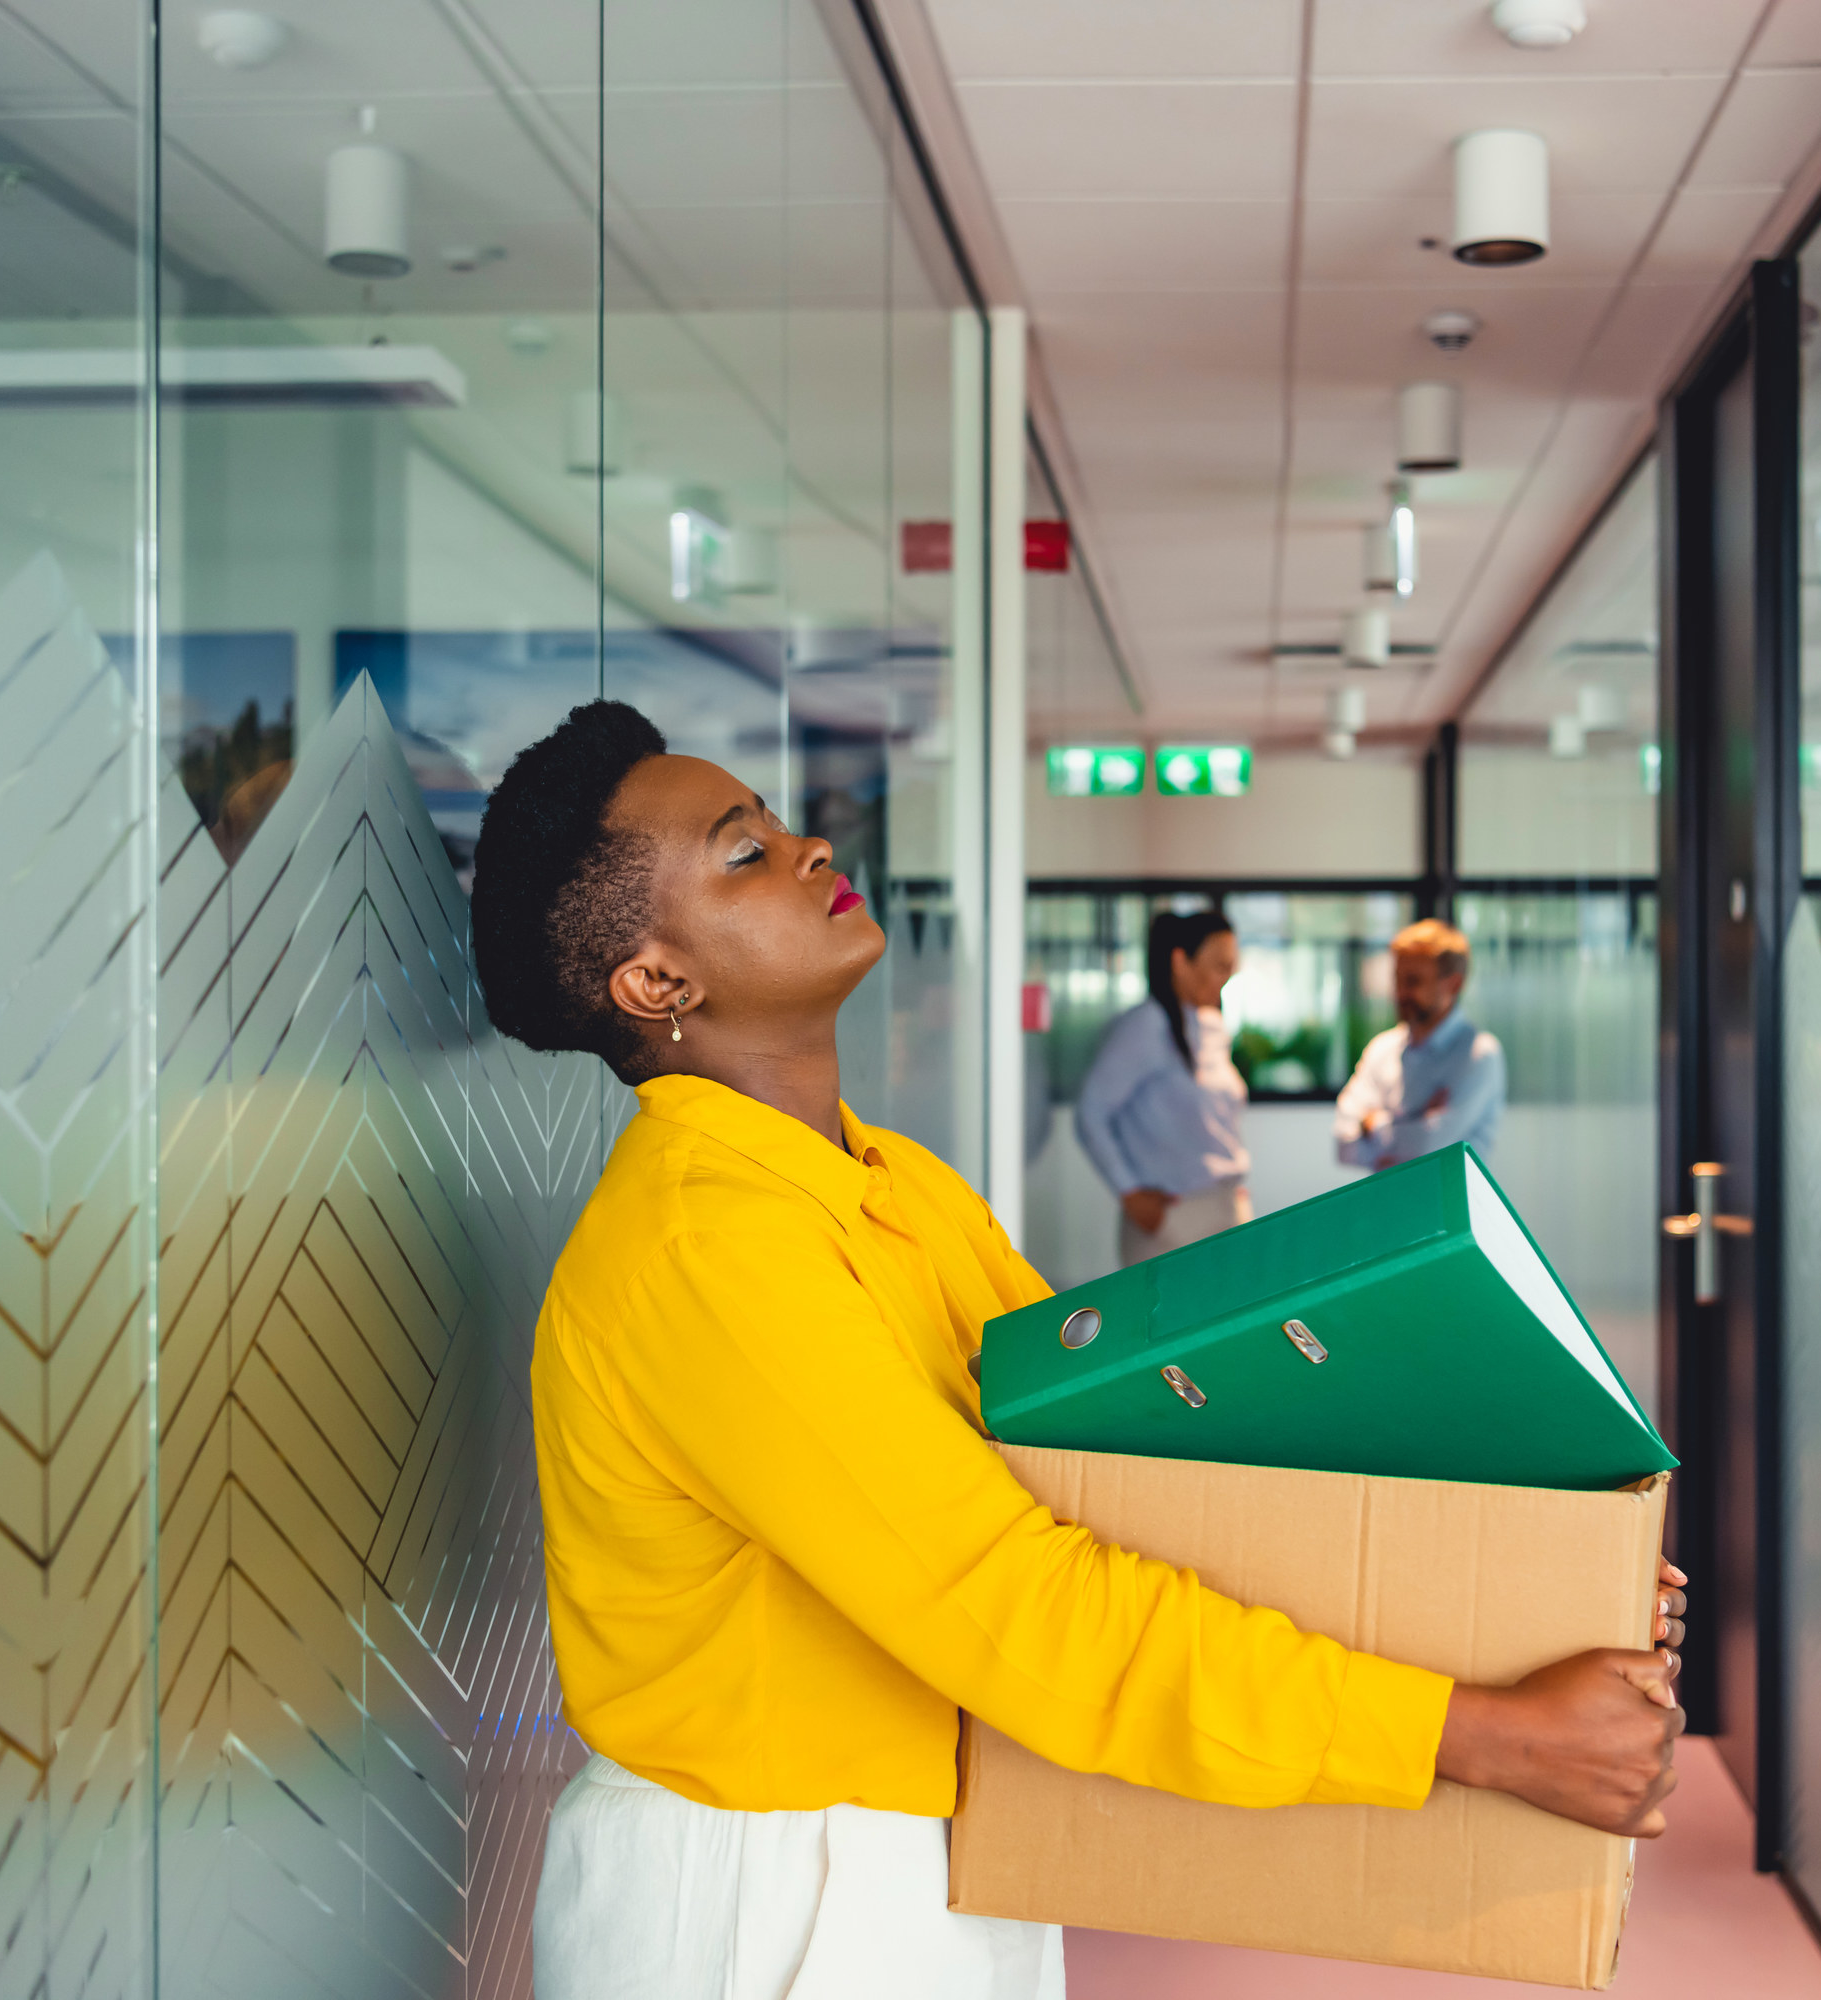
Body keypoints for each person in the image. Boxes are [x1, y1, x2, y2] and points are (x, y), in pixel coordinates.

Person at [472, 702, 1686, 2000]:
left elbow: (1123, 1466)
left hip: (930, 1849)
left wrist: (1521, 1585)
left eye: (774, 823)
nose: (809, 847)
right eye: (742, 853)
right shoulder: (704, 1254)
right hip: (770, 1902)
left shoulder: (894, 1185)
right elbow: (1024, 1606)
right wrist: (1484, 1734)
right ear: (657, 983)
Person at [1073, 908, 1250, 1267]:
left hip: (1225, 1208)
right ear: (1180, 961)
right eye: (1219, 966)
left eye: (1231, 968)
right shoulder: (1146, 1027)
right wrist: (1131, 1192)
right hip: (1172, 1219)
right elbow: (1091, 1111)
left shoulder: (1210, 1025)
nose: (1226, 978)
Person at [1336, 918, 1507, 1172]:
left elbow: (1428, 1146)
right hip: (1387, 1207)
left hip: (1450, 1209)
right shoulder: (1381, 1049)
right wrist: (1417, 1123)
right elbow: (1342, 1143)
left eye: (1414, 981)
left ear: (1454, 984)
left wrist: (1373, 1123)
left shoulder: (1479, 1054)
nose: (1400, 993)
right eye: (1397, 979)